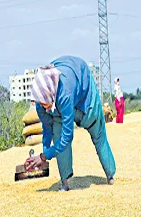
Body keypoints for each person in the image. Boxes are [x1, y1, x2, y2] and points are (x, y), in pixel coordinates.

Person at [24, 56, 117, 192]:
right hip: (61, 95)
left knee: (97, 130)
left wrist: (44, 156)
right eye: (41, 104)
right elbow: (47, 127)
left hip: (84, 89)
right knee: (57, 129)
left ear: (51, 94)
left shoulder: (64, 95)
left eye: (45, 103)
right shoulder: (41, 100)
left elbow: (67, 137)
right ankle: (65, 182)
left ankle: (110, 175)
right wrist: (43, 154)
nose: (44, 107)